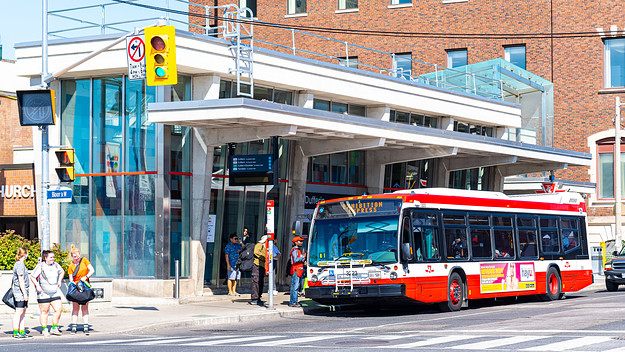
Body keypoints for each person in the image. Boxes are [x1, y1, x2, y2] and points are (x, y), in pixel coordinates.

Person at [30, 250, 65, 337]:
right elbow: (32, 277)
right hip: (43, 293)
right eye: (51, 257)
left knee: (58, 309)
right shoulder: (41, 266)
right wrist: (37, 286)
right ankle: (45, 329)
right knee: (44, 311)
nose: (53, 259)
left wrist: (59, 281)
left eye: (53, 257)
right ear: (45, 258)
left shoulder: (56, 265)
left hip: (55, 292)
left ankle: (54, 328)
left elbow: (62, 272)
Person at [67, 245, 95, 335]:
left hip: (85, 286)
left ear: (80, 254)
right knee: (75, 308)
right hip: (76, 288)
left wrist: (85, 277)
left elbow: (92, 270)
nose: (76, 258)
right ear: (72, 256)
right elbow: (71, 279)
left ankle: (85, 326)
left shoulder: (84, 260)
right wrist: (73, 285)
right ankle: (74, 326)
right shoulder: (71, 265)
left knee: (85, 307)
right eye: (74, 257)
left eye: (78, 256)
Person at [12, 247, 33, 339]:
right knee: (19, 311)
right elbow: (21, 280)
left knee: (23, 311)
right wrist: (24, 294)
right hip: (19, 292)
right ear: (25, 254)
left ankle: (22, 331)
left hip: (21, 292)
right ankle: (16, 332)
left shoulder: (20, 264)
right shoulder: (20, 265)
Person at [249, 235, 267, 305]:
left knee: (261, 282)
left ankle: (258, 296)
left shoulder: (267, 247)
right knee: (255, 281)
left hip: (262, 266)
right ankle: (254, 298)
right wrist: (265, 256)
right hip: (257, 265)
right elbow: (256, 252)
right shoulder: (259, 245)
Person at [289, 236, 306, 308]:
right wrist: (303, 257)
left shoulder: (297, 250)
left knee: (295, 287)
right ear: (296, 242)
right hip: (296, 270)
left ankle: (294, 301)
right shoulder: (295, 250)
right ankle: (293, 302)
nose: (301, 242)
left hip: (298, 270)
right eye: (300, 241)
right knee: (295, 287)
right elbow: (295, 260)